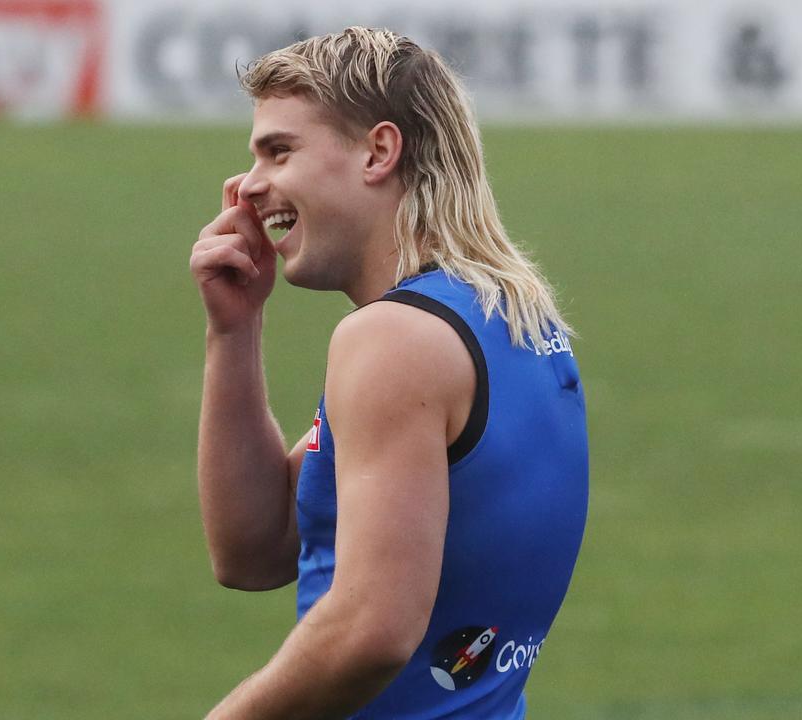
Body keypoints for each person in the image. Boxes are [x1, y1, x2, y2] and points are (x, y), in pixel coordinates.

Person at [188, 27, 589, 719]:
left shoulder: (394, 340)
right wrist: (234, 329)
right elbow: (256, 550)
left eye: (279, 151)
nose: (249, 187)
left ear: (378, 151)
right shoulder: (513, 318)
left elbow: (371, 631)